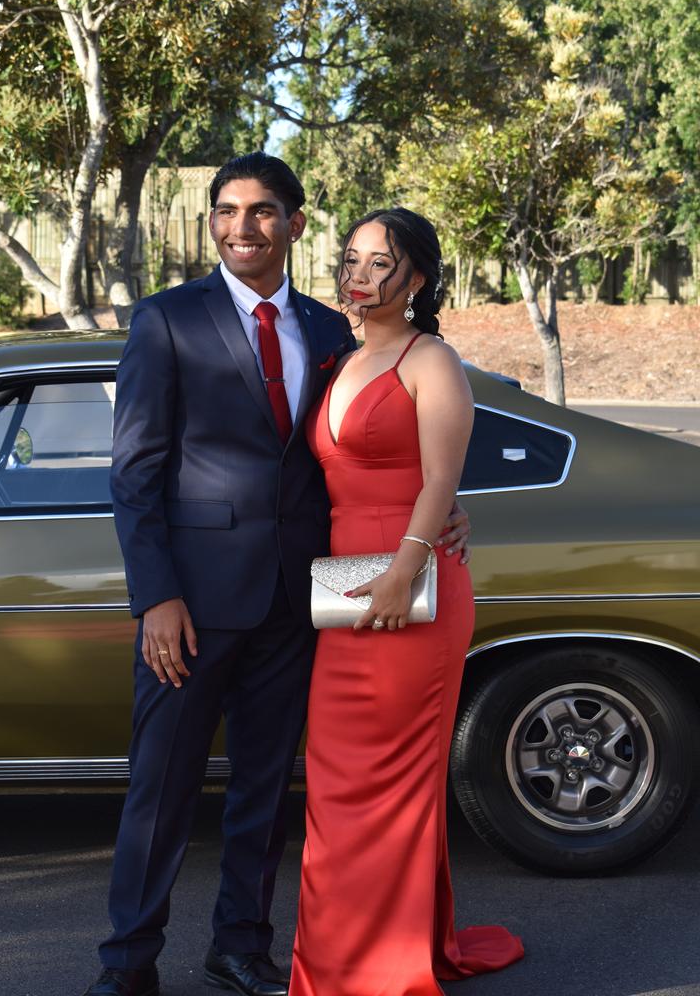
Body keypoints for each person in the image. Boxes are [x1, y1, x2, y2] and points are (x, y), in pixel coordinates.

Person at [83, 155, 471, 996]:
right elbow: (135, 475)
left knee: (264, 790)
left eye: (262, 212)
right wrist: (155, 596)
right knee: (161, 791)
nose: (240, 227)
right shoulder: (165, 321)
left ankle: (240, 946)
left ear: (294, 223)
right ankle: (127, 963)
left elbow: (394, 442)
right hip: (192, 606)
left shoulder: (337, 330)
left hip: (309, 598)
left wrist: (444, 511)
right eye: (226, 211)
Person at [289, 208, 524, 995]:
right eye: (351, 258)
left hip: (410, 586)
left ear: (416, 279)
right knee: (337, 776)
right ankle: (350, 951)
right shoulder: (338, 356)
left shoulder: (433, 361)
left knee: (393, 780)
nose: (359, 274)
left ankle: (382, 966)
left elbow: (439, 480)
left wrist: (406, 562)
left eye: (379, 262)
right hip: (345, 587)